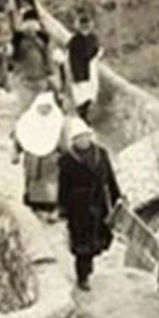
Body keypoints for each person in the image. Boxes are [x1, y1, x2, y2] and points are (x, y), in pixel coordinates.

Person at [57, 117, 122, 292]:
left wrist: (117, 197)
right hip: (77, 206)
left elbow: (110, 178)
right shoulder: (67, 159)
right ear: (74, 140)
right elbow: (63, 186)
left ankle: (88, 266)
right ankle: (82, 276)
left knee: (97, 239)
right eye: (79, 138)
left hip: (98, 202)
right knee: (81, 242)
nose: (83, 140)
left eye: (85, 136)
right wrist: (63, 208)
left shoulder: (101, 154)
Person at [13, 91, 64, 221]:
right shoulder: (27, 120)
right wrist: (16, 153)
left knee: (50, 186)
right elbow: (18, 137)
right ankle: (34, 207)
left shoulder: (58, 121)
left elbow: (64, 141)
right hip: (32, 160)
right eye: (42, 108)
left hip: (51, 161)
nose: (44, 111)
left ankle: (50, 208)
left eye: (47, 108)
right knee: (33, 182)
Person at [67, 11, 100, 122]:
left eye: (87, 26)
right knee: (81, 96)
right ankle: (83, 116)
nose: (85, 28)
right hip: (79, 71)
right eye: (83, 26)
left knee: (90, 94)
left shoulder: (93, 38)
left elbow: (94, 51)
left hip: (90, 70)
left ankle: (85, 114)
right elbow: (72, 58)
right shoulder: (75, 41)